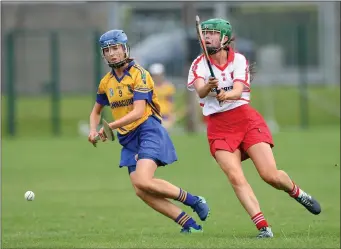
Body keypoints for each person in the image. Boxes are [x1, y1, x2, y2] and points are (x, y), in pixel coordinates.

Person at [187, 18, 321, 238]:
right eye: (205, 33)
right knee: (235, 177)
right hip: (218, 127)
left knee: (270, 175)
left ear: (224, 38)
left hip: (246, 121)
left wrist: (225, 94)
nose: (207, 37)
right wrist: (210, 87)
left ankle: (297, 192)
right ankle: (263, 228)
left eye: (212, 33)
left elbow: (238, 91)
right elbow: (200, 91)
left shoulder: (238, 60)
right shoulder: (199, 64)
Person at [88, 29, 210, 234]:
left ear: (125, 49)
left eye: (116, 48)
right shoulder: (106, 82)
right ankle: (189, 225)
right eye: (107, 50)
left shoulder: (140, 75)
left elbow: (137, 112)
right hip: (128, 138)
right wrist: (93, 130)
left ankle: (194, 200)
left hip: (148, 130)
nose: (112, 53)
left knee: (144, 180)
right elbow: (96, 111)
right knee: (140, 190)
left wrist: (108, 128)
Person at [149, 63, 176, 130]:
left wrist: (171, 114)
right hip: (153, 115)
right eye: (155, 75)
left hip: (165, 115)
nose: (157, 77)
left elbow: (170, 101)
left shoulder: (169, 87)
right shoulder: (149, 87)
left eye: (159, 75)